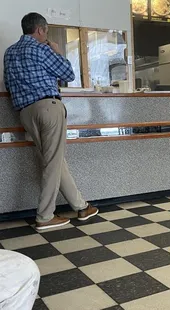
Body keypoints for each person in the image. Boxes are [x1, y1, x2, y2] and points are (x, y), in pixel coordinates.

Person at [3, 12, 98, 230]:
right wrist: (57, 51)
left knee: (54, 160)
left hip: (25, 112)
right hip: (48, 107)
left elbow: (8, 84)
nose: (46, 34)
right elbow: (68, 73)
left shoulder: (9, 53)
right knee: (53, 162)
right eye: (45, 31)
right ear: (40, 30)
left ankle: (81, 206)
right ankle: (45, 216)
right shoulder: (41, 48)